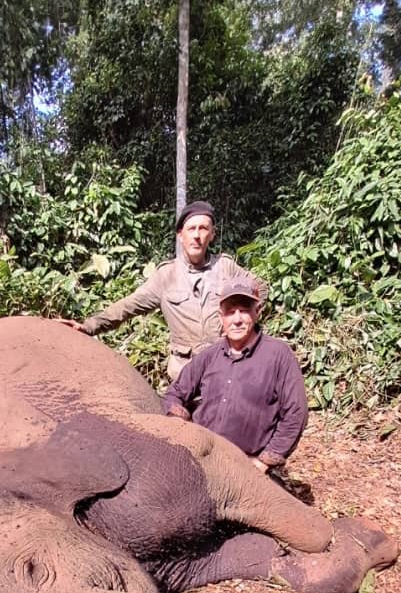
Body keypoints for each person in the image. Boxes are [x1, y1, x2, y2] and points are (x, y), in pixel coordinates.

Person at [60, 200, 246, 379]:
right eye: (191, 229)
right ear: (181, 235)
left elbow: (259, 290)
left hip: (225, 370)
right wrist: (88, 326)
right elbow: (128, 306)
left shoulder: (225, 267)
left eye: (203, 228)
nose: (197, 235)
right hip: (185, 375)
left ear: (212, 234)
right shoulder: (166, 276)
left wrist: (240, 328)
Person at [162, 270, 307, 474]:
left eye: (244, 310)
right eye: (230, 311)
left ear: (257, 312)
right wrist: (181, 425)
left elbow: (295, 414)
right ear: (221, 318)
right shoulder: (209, 355)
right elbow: (174, 393)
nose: (237, 319)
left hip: (246, 466)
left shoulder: (278, 355)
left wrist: (265, 461)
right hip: (201, 458)